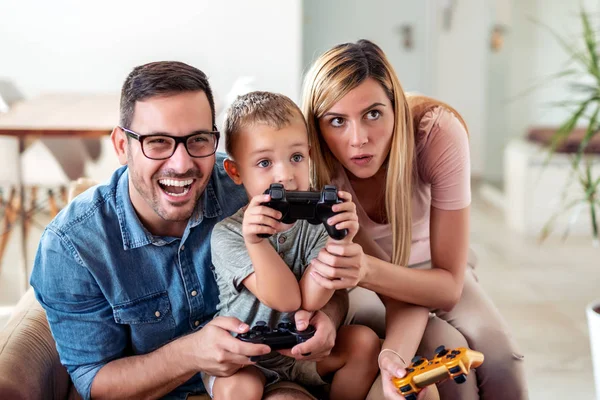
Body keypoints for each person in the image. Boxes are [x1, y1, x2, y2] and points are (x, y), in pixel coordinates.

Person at [29, 61, 347, 400]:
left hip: (270, 375)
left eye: (197, 140)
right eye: (158, 142)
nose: (181, 164)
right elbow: (95, 382)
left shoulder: (255, 185)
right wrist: (191, 352)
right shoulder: (72, 245)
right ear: (122, 146)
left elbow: (323, 272)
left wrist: (326, 318)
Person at [301, 39, 528, 400]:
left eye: (373, 114)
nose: (358, 139)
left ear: (396, 107)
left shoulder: (435, 132)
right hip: (364, 286)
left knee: (502, 361)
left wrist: (367, 270)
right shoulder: (313, 164)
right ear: (317, 125)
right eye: (337, 121)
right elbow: (371, 285)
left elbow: (448, 287)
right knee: (448, 360)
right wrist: (392, 351)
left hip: (431, 268)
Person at [203, 91, 381, 400]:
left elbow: (310, 299)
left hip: (304, 350)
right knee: (239, 388)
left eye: (296, 157)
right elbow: (285, 299)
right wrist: (256, 243)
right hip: (246, 356)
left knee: (364, 342)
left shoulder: (317, 227)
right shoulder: (228, 234)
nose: (285, 174)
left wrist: (340, 239)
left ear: (309, 156)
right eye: (264, 162)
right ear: (235, 172)